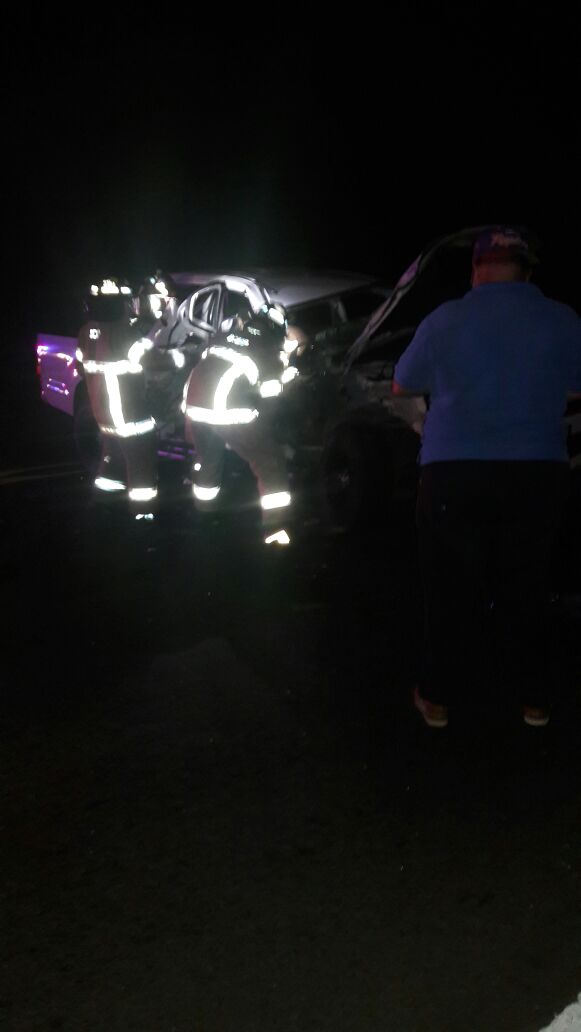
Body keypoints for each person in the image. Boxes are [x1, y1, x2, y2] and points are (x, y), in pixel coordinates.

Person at [392, 226, 581, 729]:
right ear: (527, 269)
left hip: (453, 471)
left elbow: (402, 383)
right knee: (528, 584)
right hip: (537, 471)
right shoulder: (562, 319)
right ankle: (533, 700)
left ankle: (437, 700)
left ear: (477, 269)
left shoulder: (445, 319)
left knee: (448, 588)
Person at [182, 303, 295, 544]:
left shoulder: (225, 336)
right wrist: (289, 379)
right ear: (277, 329)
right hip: (225, 411)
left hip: (194, 407)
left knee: (207, 458)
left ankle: (204, 516)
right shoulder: (267, 347)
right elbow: (271, 397)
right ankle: (276, 531)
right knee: (269, 461)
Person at [77, 276, 161, 521]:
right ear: (123, 305)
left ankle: (104, 503)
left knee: (111, 458)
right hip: (129, 416)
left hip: (103, 415)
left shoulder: (85, 332)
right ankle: (143, 516)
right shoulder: (126, 333)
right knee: (141, 464)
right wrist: (182, 357)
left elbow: (82, 363)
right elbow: (154, 362)